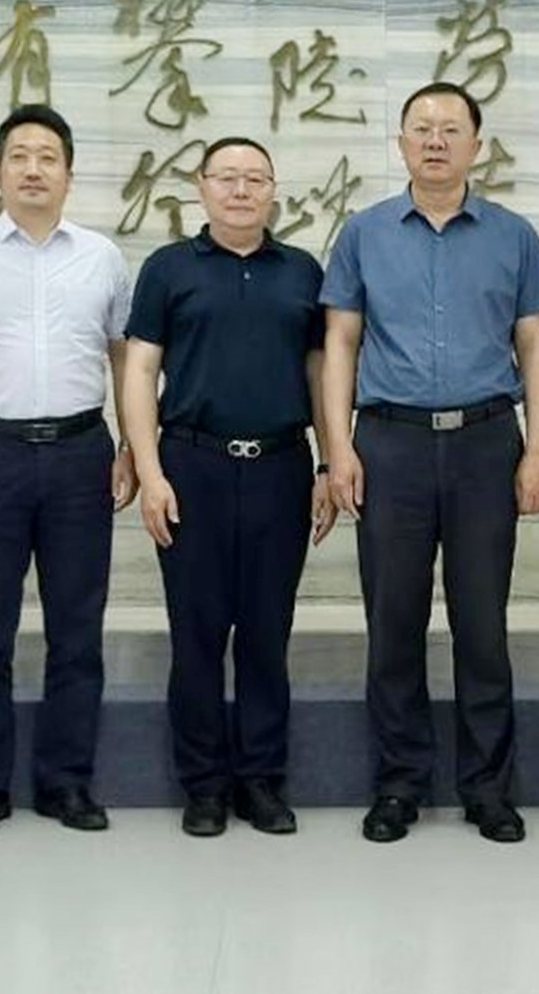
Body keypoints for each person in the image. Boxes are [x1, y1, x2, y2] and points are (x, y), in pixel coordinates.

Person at [322, 81, 539, 845]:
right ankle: (399, 785)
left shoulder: (513, 236)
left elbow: (534, 348)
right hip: (388, 444)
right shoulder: (363, 233)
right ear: (400, 143)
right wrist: (338, 448)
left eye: (451, 129)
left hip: (486, 443)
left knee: (482, 623)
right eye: (421, 128)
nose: (435, 140)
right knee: (393, 621)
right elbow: (340, 343)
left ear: (476, 145)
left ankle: (488, 787)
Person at [0, 105, 135, 838]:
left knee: (78, 628)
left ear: (69, 173)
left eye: (47, 157)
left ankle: (67, 782)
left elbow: (125, 358)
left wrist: (134, 446)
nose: (33, 169)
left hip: (79, 452)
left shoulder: (102, 257)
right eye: (19, 156)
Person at [121, 136, 333, 838]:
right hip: (192, 466)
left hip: (281, 466)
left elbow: (320, 373)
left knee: (268, 633)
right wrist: (150, 472)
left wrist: (329, 463)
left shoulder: (301, 271)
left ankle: (262, 782)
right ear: (202, 186)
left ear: (273, 191)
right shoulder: (168, 268)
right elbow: (139, 372)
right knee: (198, 634)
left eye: (255, 179)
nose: (241, 191)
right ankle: (205, 786)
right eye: (227, 178)